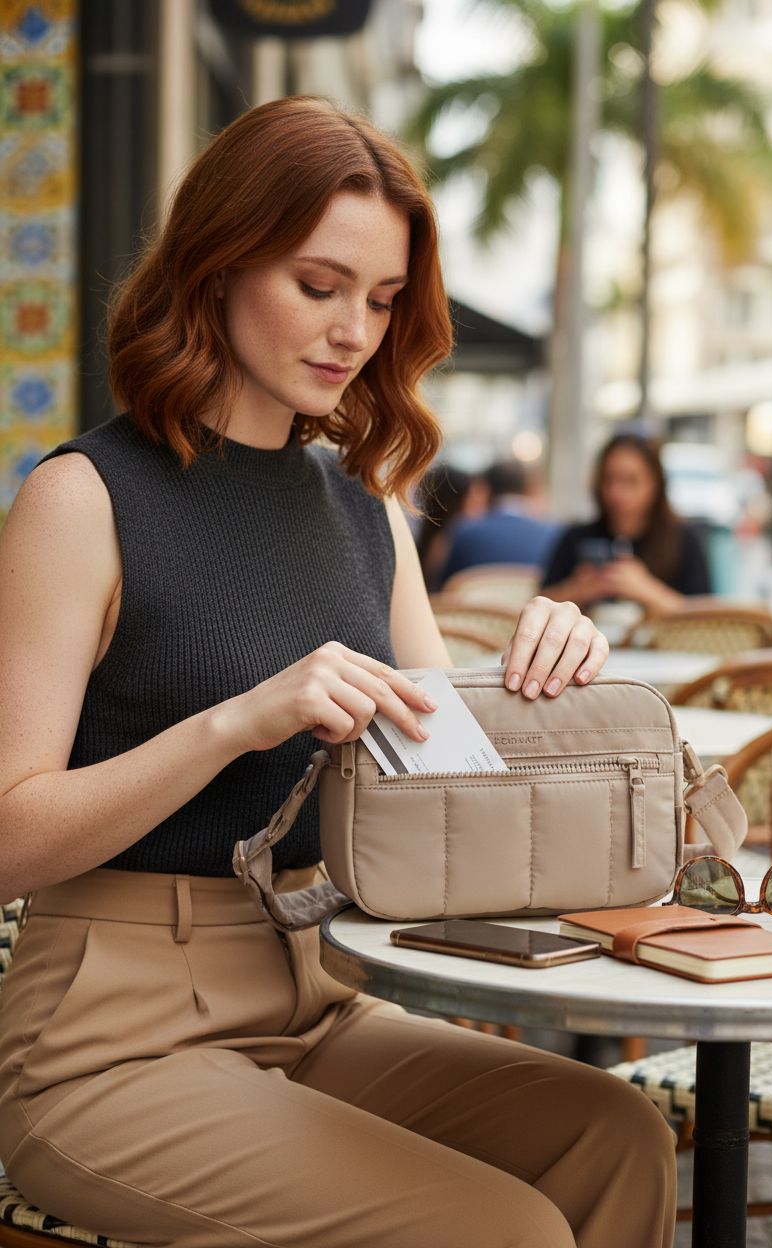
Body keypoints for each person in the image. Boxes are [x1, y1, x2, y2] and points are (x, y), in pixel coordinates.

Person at [0, 97, 676, 1248]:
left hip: (319, 998)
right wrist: (236, 723)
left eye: (379, 299)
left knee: (614, 1133)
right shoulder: (84, 498)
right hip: (106, 1037)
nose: (353, 330)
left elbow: (447, 787)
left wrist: (549, 678)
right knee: (499, 1230)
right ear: (215, 266)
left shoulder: (364, 507)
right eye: (318, 287)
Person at [541, 432, 712, 615]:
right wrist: (577, 589)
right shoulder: (575, 537)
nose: (617, 492)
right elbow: (539, 605)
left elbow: (705, 616)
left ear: (655, 484)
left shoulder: (683, 540)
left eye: (631, 481)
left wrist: (646, 589)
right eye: (609, 479)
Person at [439, 458, 563, 586]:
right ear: (527, 488)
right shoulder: (555, 534)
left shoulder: (463, 531)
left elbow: (444, 588)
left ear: (486, 490)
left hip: (475, 605)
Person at [415, 461, 485, 592]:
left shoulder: (427, 539)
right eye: (473, 495)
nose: (479, 502)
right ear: (455, 499)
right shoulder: (453, 539)